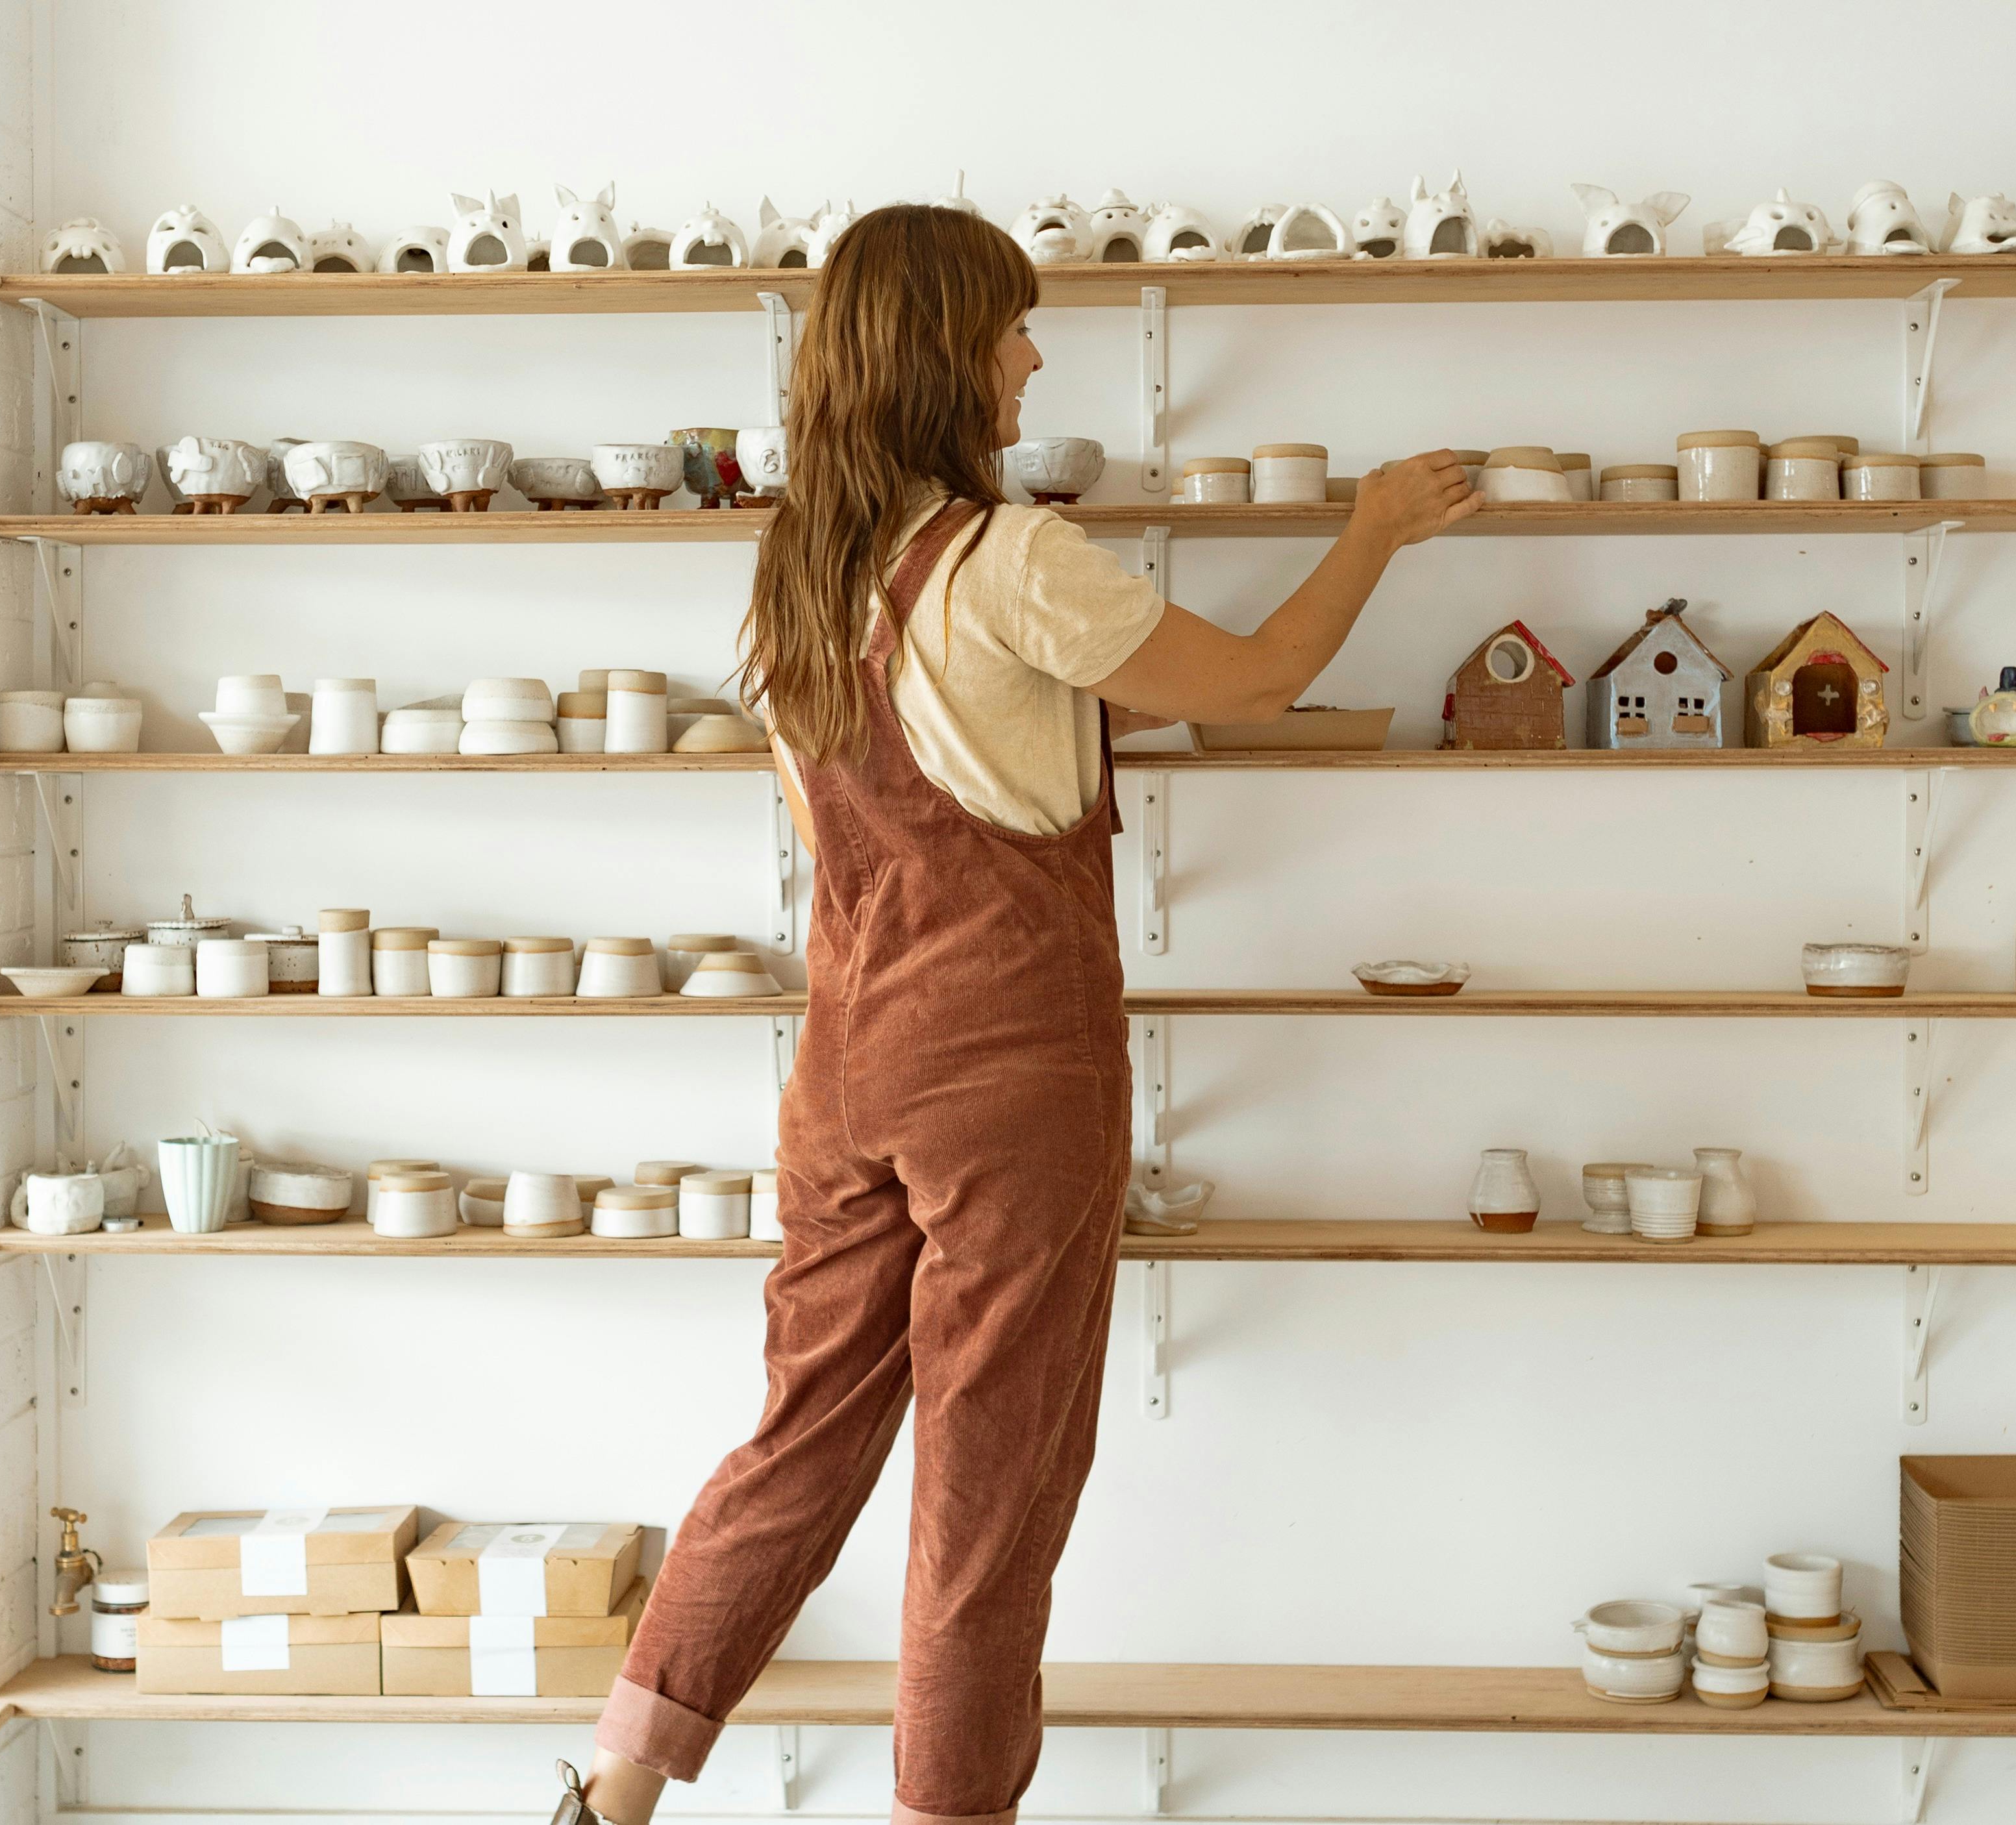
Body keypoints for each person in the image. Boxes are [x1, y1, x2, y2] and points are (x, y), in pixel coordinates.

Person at [553, 203, 1477, 1825]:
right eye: (1012, 329)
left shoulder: (796, 572)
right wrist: (1376, 529)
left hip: (843, 1070)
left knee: (795, 1445)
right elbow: (1256, 679)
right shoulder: (1012, 558)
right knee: (988, 1496)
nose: (1034, 355)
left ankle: (609, 1799)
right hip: (1011, 1071)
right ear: (942, 355)